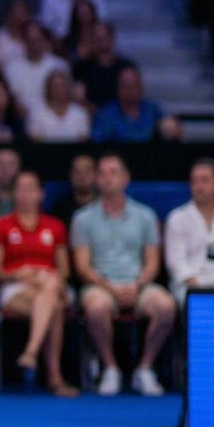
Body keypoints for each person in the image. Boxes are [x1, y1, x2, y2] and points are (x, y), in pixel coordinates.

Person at [71, 153, 175, 396]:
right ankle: (110, 368)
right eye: (103, 173)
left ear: (126, 178)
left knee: (166, 306)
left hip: (137, 284)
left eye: (113, 172)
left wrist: (136, 286)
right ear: (96, 180)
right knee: (96, 307)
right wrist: (110, 287)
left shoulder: (145, 216)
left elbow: (152, 263)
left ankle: (145, 368)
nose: (108, 178)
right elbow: (83, 267)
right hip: (100, 284)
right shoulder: (82, 218)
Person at [0, 171, 77, 396]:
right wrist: (20, 274)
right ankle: (55, 379)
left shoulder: (55, 226)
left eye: (30, 189)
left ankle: (31, 351)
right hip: (16, 287)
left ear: (41, 194)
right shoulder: (1, 226)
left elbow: (64, 269)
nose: (25, 194)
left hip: (50, 283)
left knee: (52, 287)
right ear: (14, 193)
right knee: (54, 306)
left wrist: (43, 279)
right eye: (20, 188)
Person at [163, 158, 214, 307]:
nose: (198, 187)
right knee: (193, 299)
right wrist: (199, 287)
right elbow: (176, 264)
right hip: (191, 285)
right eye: (194, 181)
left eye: (205, 180)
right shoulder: (177, 218)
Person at [91, 66, 181, 143]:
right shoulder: (105, 113)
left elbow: (172, 128)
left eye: (134, 86)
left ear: (141, 87)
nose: (130, 91)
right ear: (118, 88)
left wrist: (172, 128)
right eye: (126, 86)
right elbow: (98, 141)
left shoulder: (152, 109)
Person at [51, 153, 98, 227]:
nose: (82, 176)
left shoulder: (105, 205)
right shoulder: (60, 209)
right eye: (77, 172)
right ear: (70, 175)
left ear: (96, 174)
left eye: (87, 171)